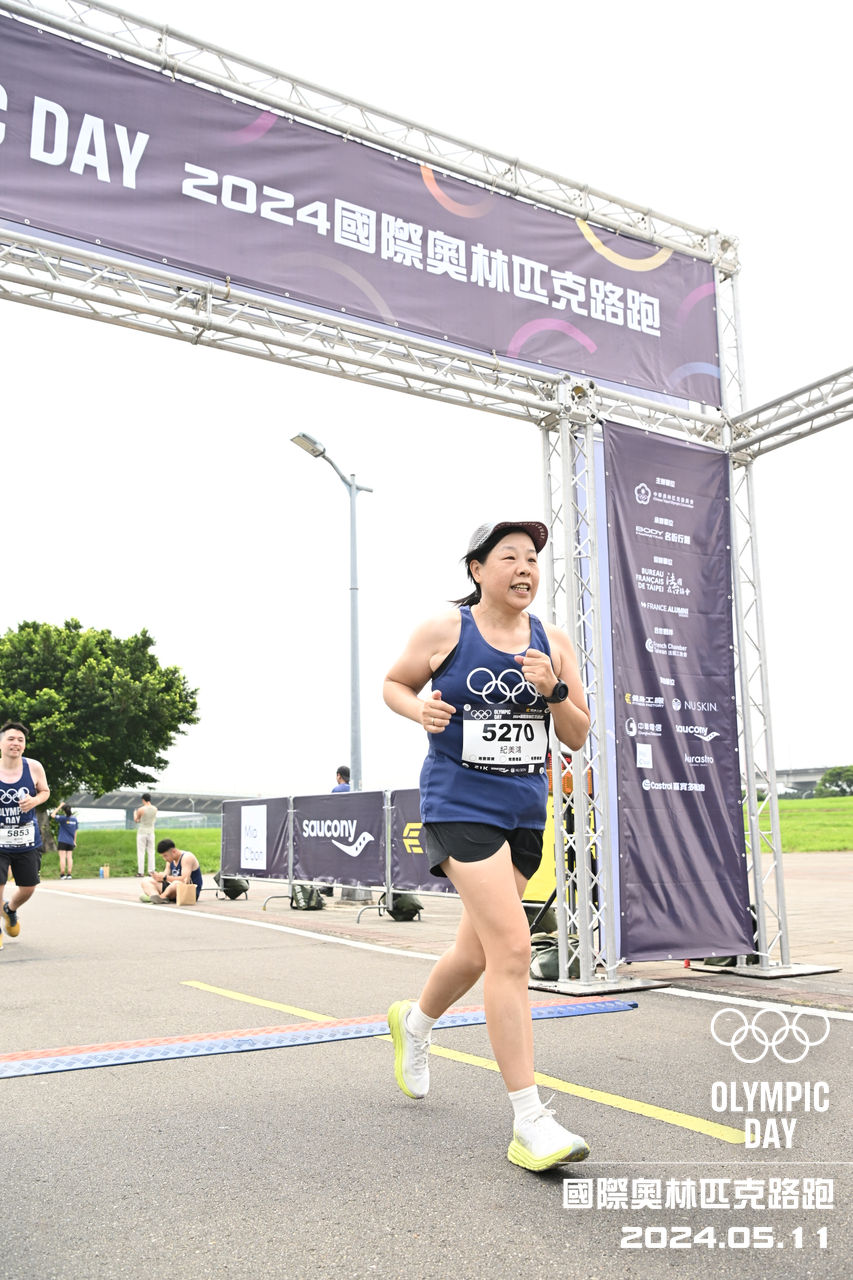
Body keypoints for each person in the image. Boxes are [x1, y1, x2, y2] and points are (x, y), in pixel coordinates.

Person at [382, 521, 592, 1172]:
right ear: (477, 569)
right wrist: (419, 711)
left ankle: (414, 1023)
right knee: (513, 949)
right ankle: (529, 1120)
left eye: (532, 558)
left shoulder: (553, 643)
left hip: (522, 813)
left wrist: (553, 689)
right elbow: (395, 683)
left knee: (475, 953)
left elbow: (577, 733)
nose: (525, 568)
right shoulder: (447, 629)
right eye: (509, 557)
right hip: (458, 803)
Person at [0, 721, 51, 951]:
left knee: (28, 887)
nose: (16, 743)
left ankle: (10, 909)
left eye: (20, 740)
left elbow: (45, 791)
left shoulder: (34, 767)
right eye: (11, 739)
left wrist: (34, 801)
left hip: (26, 840)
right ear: (1, 743)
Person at [140, 838, 203, 903]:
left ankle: (161, 897)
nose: (164, 859)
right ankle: (154, 896)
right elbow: (165, 876)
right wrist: (158, 877)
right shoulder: (170, 860)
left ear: (174, 851)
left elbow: (185, 880)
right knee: (146, 880)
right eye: (163, 856)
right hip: (173, 889)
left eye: (165, 856)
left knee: (176, 883)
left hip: (189, 891)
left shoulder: (187, 857)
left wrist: (165, 877)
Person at [133, 792, 158, 876]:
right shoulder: (155, 809)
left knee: (141, 852)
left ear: (143, 800)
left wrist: (134, 814)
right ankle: (151, 871)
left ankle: (141, 872)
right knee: (151, 851)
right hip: (151, 831)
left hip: (142, 832)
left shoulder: (141, 809)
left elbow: (137, 820)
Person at [52, 803, 79, 879]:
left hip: (62, 840)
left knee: (62, 857)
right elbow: (75, 831)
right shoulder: (74, 819)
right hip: (71, 841)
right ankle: (69, 874)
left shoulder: (63, 818)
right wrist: (74, 841)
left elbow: (52, 815)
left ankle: (62, 874)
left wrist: (59, 806)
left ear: (64, 811)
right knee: (69, 857)